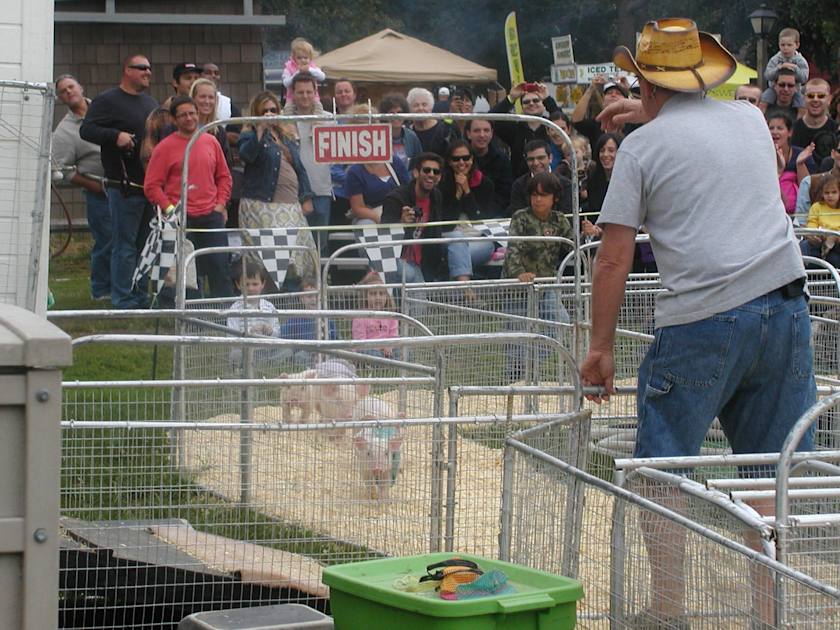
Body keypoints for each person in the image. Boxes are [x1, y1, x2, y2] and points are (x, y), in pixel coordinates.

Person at [579, 19, 815, 629]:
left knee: (662, 468)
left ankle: (667, 614)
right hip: (787, 303)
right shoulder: (747, 119)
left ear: (645, 82)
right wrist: (648, 109)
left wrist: (600, 347)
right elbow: (701, 135)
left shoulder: (639, 149)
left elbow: (612, 256)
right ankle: (772, 614)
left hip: (702, 318)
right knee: (774, 472)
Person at [80, 53, 158, 308]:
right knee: (124, 246)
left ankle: (139, 295)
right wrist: (115, 136)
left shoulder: (150, 103)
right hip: (123, 187)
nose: (148, 72)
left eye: (149, 68)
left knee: (144, 246)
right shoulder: (107, 100)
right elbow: (87, 129)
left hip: (149, 187)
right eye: (142, 68)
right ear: (127, 70)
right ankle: (122, 298)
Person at [143, 96, 233, 299]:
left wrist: (220, 203)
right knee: (186, 274)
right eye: (183, 115)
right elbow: (152, 186)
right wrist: (169, 210)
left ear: (198, 114)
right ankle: (189, 316)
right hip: (180, 219)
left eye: (192, 113)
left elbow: (224, 177)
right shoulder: (164, 148)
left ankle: (226, 315)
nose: (189, 118)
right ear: (174, 120)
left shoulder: (211, 141)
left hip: (211, 216)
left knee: (220, 268)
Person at [238, 90, 318, 288]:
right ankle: (273, 302)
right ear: (256, 113)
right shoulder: (249, 134)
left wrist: (306, 196)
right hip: (263, 205)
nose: (270, 114)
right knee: (274, 260)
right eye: (264, 111)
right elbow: (246, 156)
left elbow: (299, 168)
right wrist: (259, 130)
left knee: (299, 256)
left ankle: (295, 304)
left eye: (273, 109)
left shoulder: (285, 134)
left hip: (291, 205)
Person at [502, 172, 573, 381]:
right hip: (517, 286)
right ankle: (513, 380)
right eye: (534, 194)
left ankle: (532, 362)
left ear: (555, 198)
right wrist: (518, 273)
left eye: (543, 195)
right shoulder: (521, 218)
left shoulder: (559, 220)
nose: (538, 199)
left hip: (546, 283)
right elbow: (513, 249)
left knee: (561, 321)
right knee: (516, 333)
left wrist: (589, 234)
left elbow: (573, 245)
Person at [52, 74, 111, 301]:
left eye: (71, 87)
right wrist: (94, 186)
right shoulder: (65, 131)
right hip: (99, 191)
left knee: (127, 241)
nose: (69, 92)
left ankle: (126, 287)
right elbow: (63, 169)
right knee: (107, 241)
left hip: (125, 185)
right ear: (60, 98)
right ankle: (101, 290)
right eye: (63, 91)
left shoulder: (105, 110)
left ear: (81, 87)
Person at [283, 72, 333, 253]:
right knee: (295, 247)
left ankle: (319, 280)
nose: (305, 96)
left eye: (308, 92)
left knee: (320, 245)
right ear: (293, 94)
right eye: (300, 92)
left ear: (315, 93)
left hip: (321, 190)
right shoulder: (282, 120)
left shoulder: (328, 119)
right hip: (291, 192)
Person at [380, 152, 448, 284]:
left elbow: (435, 234)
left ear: (439, 177)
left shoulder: (436, 196)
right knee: (410, 275)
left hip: (420, 262)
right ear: (416, 173)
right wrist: (401, 223)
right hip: (395, 259)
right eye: (427, 170)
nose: (431, 175)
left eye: (436, 172)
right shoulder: (396, 198)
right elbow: (383, 236)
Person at [439, 139, 499, 282]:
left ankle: (460, 285)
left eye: (466, 158)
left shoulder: (485, 184)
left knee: (457, 256)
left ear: (472, 159)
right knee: (457, 240)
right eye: (456, 159)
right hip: (449, 238)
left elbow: (482, 222)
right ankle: (465, 289)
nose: (461, 163)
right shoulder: (441, 185)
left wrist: (467, 192)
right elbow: (446, 223)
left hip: (479, 238)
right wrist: (457, 194)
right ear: (449, 161)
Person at [345, 105, 410, 225]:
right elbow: (358, 208)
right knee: (365, 225)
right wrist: (384, 218)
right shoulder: (354, 171)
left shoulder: (395, 162)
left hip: (400, 214)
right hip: (372, 218)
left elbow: (409, 191)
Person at [489, 81, 559, 177]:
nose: (531, 103)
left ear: (543, 105)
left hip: (551, 179)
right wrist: (511, 98)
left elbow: (562, 120)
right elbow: (490, 119)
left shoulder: (552, 126)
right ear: (522, 107)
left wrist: (547, 99)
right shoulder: (515, 128)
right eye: (526, 102)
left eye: (536, 100)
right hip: (521, 184)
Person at [278, 276, 337, 369]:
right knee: (299, 356)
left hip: (324, 353)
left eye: (316, 296)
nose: (313, 299)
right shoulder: (295, 319)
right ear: (302, 298)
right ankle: (308, 369)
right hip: (303, 353)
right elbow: (284, 338)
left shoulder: (326, 319)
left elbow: (334, 339)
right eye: (309, 296)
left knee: (336, 355)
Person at [767, 110, 815, 215]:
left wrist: (800, 164)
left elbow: (808, 192)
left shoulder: (802, 154)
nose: (774, 132)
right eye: (771, 128)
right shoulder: (760, 156)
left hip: (797, 214)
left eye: (780, 128)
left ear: (790, 132)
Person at [508, 140, 572, 218]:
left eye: (540, 158)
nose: (536, 163)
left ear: (550, 158)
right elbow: (517, 215)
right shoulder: (519, 185)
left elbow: (566, 215)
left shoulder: (565, 184)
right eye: (531, 159)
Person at [571, 75, 635, 152]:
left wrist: (630, 90)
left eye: (618, 93)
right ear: (603, 101)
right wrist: (591, 88)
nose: (613, 95)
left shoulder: (633, 122)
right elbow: (576, 120)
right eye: (609, 93)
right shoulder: (597, 123)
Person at [465, 119, 513, 212]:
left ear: (491, 133)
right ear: (468, 134)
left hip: (493, 214)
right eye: (477, 130)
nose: (482, 135)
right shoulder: (459, 157)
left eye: (486, 130)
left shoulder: (502, 159)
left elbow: (505, 194)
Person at [760, 27, 809, 112]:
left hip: (795, 90)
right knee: (764, 100)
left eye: (789, 45)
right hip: (774, 89)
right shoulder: (775, 59)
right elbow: (767, 75)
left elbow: (804, 78)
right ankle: (762, 118)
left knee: (802, 104)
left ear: (797, 45)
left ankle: (799, 122)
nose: (785, 48)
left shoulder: (800, 60)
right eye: (782, 45)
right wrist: (778, 69)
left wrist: (795, 69)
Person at [352, 270, 398, 358]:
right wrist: (380, 347)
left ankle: (387, 362)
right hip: (370, 350)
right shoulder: (360, 317)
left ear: (387, 296)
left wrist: (389, 347)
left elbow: (394, 336)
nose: (378, 298)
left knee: (404, 350)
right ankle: (382, 363)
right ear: (366, 296)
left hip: (388, 350)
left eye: (381, 293)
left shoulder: (391, 316)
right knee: (365, 352)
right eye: (373, 294)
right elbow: (360, 342)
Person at [792, 78, 838, 165]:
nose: (815, 100)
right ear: (804, 98)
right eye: (810, 96)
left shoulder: (836, 130)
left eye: (821, 96)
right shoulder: (792, 130)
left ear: (829, 99)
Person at [189, 78, 233, 168]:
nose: (207, 101)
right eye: (202, 97)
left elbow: (226, 166)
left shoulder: (219, 132)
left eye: (211, 97)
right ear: (193, 98)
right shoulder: (181, 128)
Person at [585, 133, 623, 236]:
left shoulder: (629, 180)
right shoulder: (593, 179)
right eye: (602, 151)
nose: (605, 155)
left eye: (611, 150)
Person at [801, 173, 840, 267]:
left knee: (834, 259)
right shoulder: (817, 207)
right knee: (805, 245)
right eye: (827, 193)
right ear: (822, 193)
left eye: (834, 192)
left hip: (837, 242)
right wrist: (814, 234)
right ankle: (808, 269)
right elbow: (812, 222)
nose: (830, 195)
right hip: (820, 239)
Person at [407, 87, 457, 157]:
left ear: (431, 107)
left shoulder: (444, 130)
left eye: (424, 104)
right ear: (410, 110)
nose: (420, 108)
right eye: (416, 105)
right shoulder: (407, 132)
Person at [377, 93, 422, 171]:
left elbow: (419, 162)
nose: (396, 116)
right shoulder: (377, 137)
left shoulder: (412, 136)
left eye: (399, 112)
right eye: (391, 113)